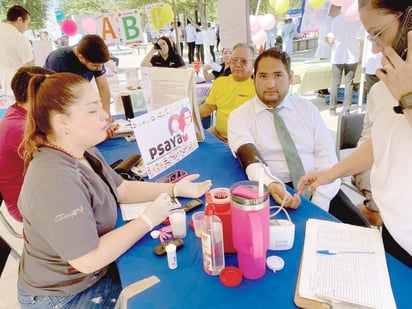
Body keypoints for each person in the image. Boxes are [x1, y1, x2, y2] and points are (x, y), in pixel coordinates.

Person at [16, 72, 212, 307]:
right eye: (92, 110)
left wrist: (174, 189)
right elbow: (88, 260)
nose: (105, 116)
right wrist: (148, 219)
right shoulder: (56, 182)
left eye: (100, 106)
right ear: (62, 122)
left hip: (89, 275)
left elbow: (121, 188)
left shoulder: (82, 151)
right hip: (65, 295)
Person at [298, 0, 412, 267]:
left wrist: (408, 98)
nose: (374, 47)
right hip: (395, 229)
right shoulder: (382, 90)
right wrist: (330, 174)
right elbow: (381, 143)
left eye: (378, 34)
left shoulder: (401, 90)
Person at [228, 48, 369, 226]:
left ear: (291, 77)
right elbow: (250, 159)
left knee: (362, 230)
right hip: (276, 187)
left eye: (278, 75)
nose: (270, 84)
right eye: (263, 76)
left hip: (321, 186)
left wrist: (318, 204)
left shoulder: (307, 109)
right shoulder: (240, 116)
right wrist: (271, 184)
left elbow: (327, 157)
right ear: (254, 79)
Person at [0, 66, 54, 223]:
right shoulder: (19, 129)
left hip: (38, 194)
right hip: (33, 207)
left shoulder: (18, 113)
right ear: (34, 94)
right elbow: (62, 158)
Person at [199, 43, 256, 143]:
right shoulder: (220, 82)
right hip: (217, 134)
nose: (238, 64)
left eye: (243, 61)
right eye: (235, 60)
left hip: (244, 141)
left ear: (253, 64)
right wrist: (188, 115)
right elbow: (208, 107)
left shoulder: (258, 87)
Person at [44, 34, 112, 116]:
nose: (100, 69)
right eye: (95, 65)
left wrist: (106, 114)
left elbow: (103, 86)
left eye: (102, 65)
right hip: (52, 102)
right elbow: (61, 98)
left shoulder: (94, 57)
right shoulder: (59, 61)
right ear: (81, 57)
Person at [326, 11, 362, 116]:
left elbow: (331, 39)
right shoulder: (357, 21)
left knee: (335, 83)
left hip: (338, 55)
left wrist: (326, 39)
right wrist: (360, 56)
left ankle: (332, 108)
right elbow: (361, 40)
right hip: (353, 55)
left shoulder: (336, 20)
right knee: (349, 83)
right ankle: (347, 109)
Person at [0, 5, 34, 97]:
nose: (26, 28)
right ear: (20, 20)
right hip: (20, 84)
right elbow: (30, 66)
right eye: (27, 23)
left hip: (3, 82)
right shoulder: (18, 37)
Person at [315, 4, 341, 96]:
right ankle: (323, 89)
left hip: (322, 49)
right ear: (335, 10)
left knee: (322, 70)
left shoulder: (324, 20)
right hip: (327, 49)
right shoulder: (331, 22)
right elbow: (330, 38)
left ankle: (320, 88)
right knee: (326, 71)